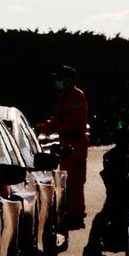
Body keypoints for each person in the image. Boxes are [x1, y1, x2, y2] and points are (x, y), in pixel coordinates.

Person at [37, 65, 90, 230]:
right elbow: (58, 121)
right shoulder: (64, 97)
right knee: (66, 180)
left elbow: (74, 123)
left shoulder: (76, 97)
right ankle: (69, 213)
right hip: (66, 142)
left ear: (70, 80)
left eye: (60, 78)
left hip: (75, 143)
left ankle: (76, 216)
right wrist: (43, 127)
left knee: (75, 181)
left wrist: (54, 127)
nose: (58, 82)